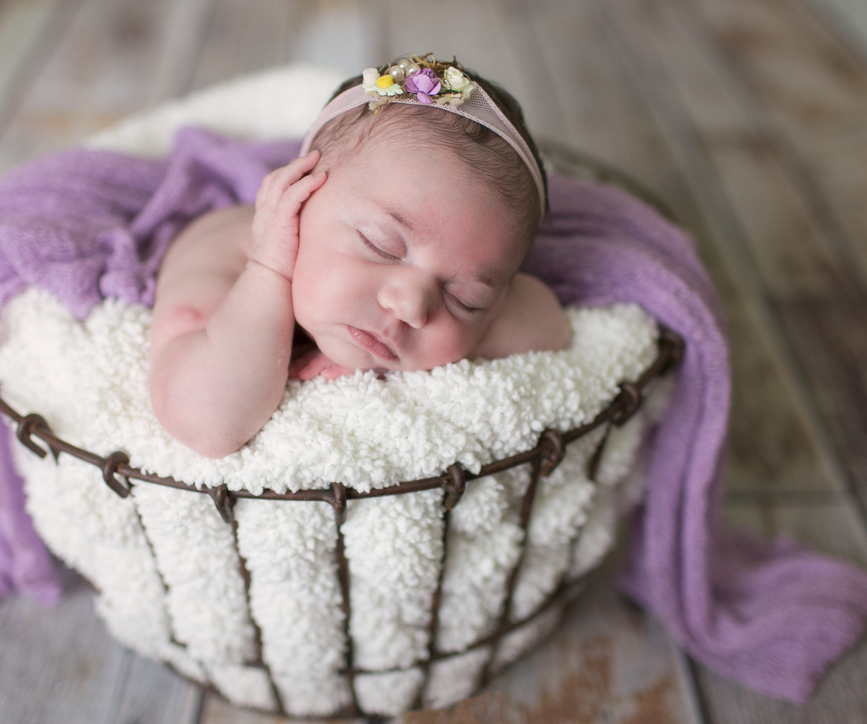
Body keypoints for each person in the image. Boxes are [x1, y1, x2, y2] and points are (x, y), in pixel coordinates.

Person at [148, 55, 571, 459]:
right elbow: (206, 425)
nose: (410, 306)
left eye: (464, 298)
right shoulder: (218, 258)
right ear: (300, 200)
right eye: (380, 245)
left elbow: (551, 325)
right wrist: (269, 270)